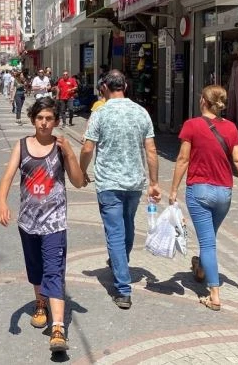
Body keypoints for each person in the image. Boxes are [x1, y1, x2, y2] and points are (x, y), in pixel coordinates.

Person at [0, 98, 85, 352]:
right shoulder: (22, 145)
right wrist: (2, 202)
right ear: (33, 119)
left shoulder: (60, 147)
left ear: (56, 121)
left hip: (54, 223)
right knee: (35, 270)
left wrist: (69, 152)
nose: (44, 123)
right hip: (28, 222)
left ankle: (58, 329)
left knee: (54, 272)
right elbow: (7, 176)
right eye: (40, 118)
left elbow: (78, 182)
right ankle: (40, 303)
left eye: (49, 118)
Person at [168, 85, 238, 311]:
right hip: (224, 193)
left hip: (199, 191)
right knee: (210, 236)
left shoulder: (192, 125)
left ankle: (214, 294)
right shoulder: (231, 128)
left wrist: (173, 190)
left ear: (203, 102)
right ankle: (200, 269)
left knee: (208, 242)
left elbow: (182, 159)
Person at [79, 70, 161, 309]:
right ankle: (120, 263)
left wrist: (82, 171)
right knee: (127, 227)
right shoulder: (141, 112)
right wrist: (154, 182)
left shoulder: (100, 113)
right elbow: (152, 150)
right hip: (135, 182)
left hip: (109, 183)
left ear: (104, 87)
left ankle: (123, 289)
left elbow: (87, 149)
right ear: (125, 85)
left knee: (115, 232)